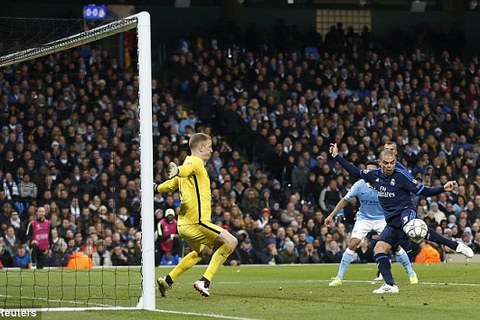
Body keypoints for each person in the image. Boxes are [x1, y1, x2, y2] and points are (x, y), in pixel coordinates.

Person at [329, 143, 473, 294]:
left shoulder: (402, 176)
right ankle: (390, 285)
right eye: (386, 163)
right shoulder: (374, 175)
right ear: (380, 163)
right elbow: (355, 171)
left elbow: (424, 191)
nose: (389, 166)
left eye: (392, 163)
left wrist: (443, 188)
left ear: (395, 161)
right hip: (391, 222)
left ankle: (456, 246)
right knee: (379, 249)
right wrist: (336, 156)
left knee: (413, 227)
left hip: (406, 212)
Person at [155, 133, 238, 297]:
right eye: (209, 146)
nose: (211, 150)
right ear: (201, 147)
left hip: (183, 225)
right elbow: (187, 170)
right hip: (197, 222)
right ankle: (204, 281)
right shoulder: (195, 163)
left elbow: (172, 184)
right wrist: (178, 170)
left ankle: (168, 280)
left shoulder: (187, 164)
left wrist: (156, 188)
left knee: (204, 251)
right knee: (231, 241)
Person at [326, 161, 418, 286]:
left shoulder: (387, 185)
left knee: (396, 246)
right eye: (366, 170)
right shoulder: (359, 185)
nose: (368, 173)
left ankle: (411, 273)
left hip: (383, 218)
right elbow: (345, 200)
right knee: (353, 243)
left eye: (371, 171)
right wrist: (331, 215)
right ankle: (339, 278)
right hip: (364, 218)